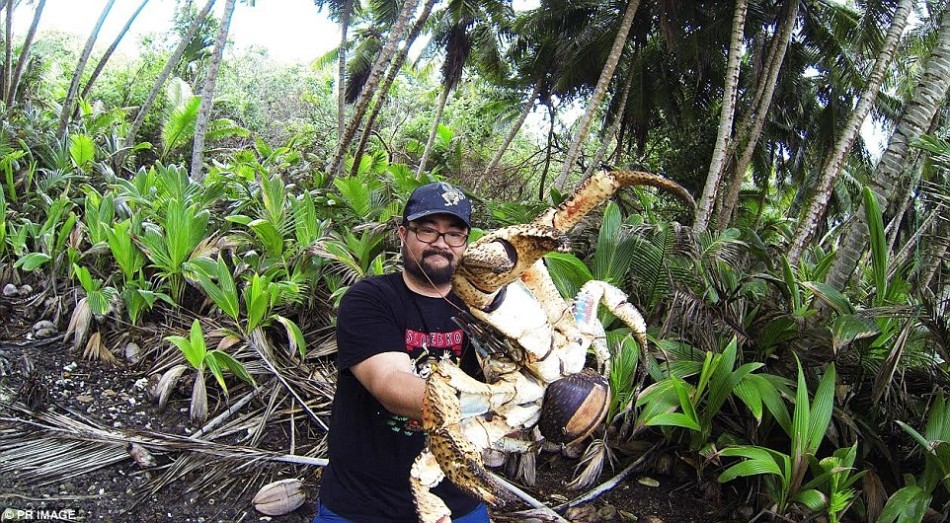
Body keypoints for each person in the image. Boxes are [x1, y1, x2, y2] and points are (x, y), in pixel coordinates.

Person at [315, 181, 491, 523]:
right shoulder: (371, 297)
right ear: (402, 234)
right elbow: (391, 386)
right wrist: (498, 401)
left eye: (454, 234)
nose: (441, 243)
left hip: (459, 498)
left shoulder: (485, 308)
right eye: (427, 230)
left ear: (465, 244)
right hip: (362, 504)